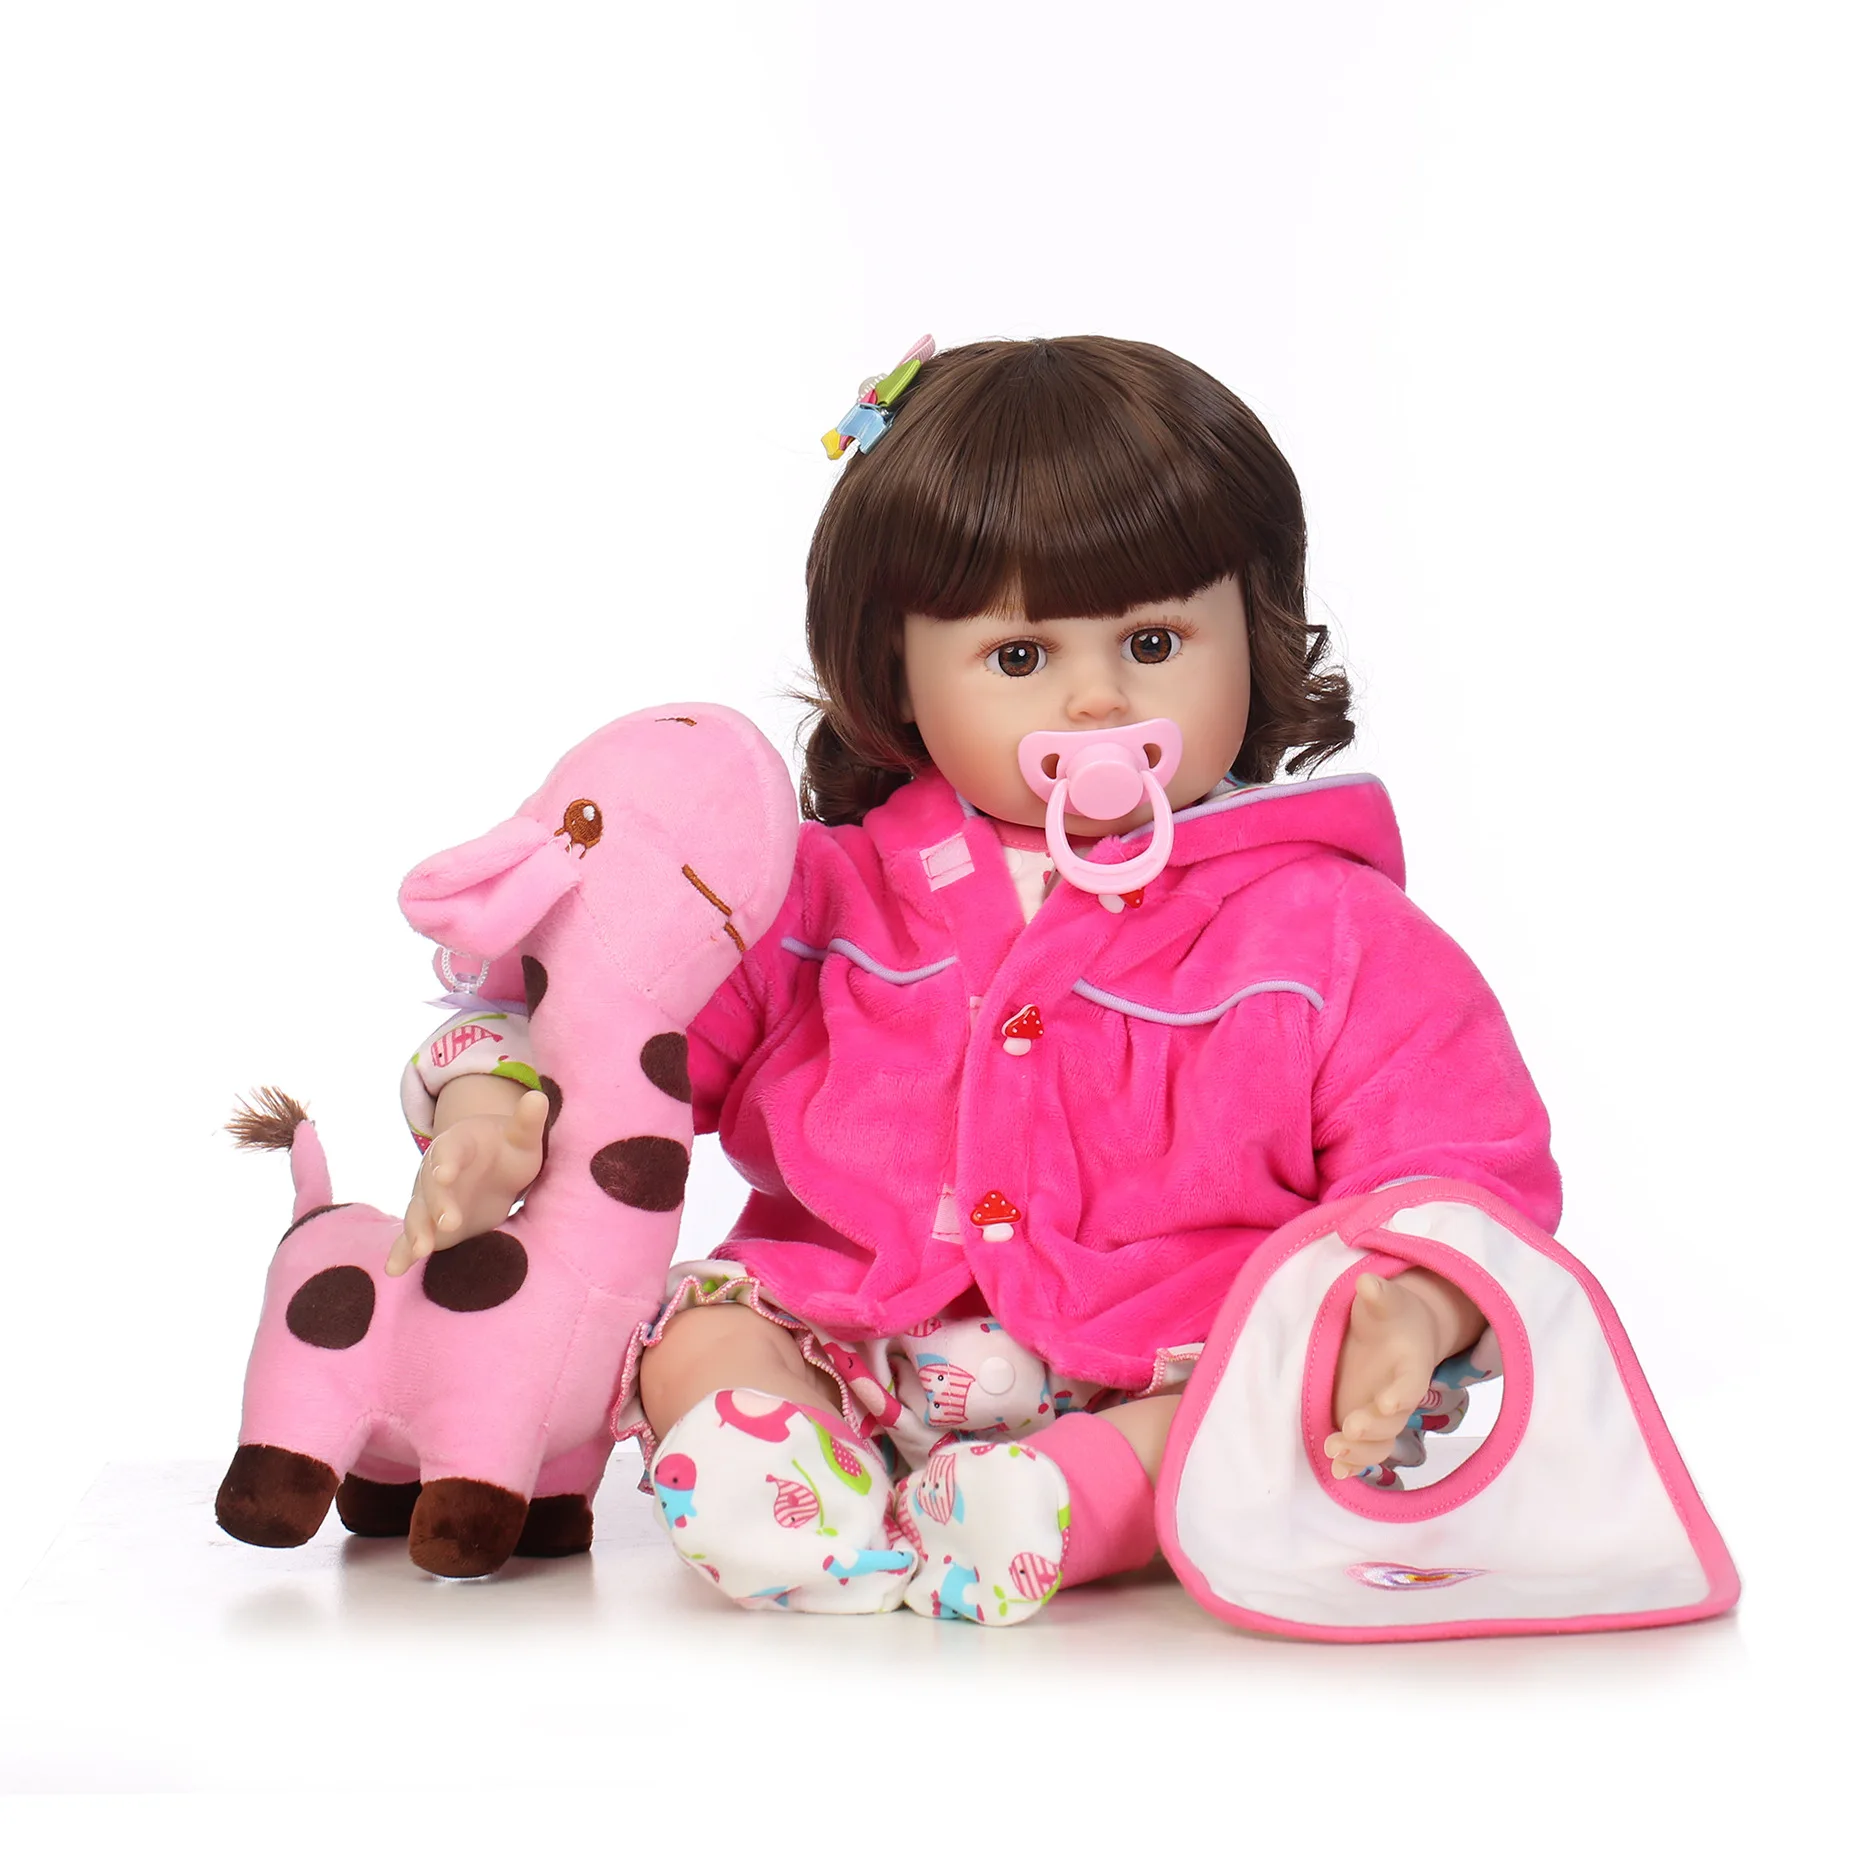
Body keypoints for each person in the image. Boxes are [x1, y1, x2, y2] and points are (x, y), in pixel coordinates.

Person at [386, 335, 1555, 1623]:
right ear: (897, 669)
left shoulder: (1333, 931)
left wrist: (1419, 1305)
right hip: (848, 1334)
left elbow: (1459, 1165)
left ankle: (1065, 1508)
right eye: (1020, 657)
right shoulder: (810, 903)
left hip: (1165, 1357)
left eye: (1155, 639)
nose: (1099, 699)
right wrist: (495, 1103)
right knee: (700, 1332)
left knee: (1272, 1389)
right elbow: (615, 1032)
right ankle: (780, 1483)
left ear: (1255, 631)